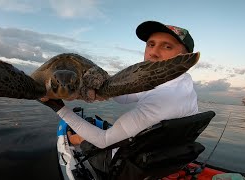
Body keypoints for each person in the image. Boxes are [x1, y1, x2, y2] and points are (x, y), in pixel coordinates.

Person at [41, 20, 198, 174]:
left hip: (121, 162)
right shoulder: (181, 83)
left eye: (167, 46)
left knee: (80, 137)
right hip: (157, 156)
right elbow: (123, 97)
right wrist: (100, 92)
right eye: (151, 44)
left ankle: (76, 140)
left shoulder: (162, 101)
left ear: (186, 57)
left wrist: (58, 107)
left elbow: (103, 141)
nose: (153, 52)